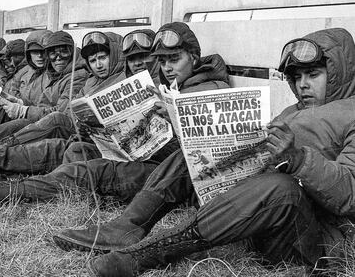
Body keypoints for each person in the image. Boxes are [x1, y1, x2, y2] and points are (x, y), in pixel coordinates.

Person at [51, 27, 355, 277]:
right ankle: (129, 226)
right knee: (194, 152)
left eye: (312, 75)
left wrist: (298, 158)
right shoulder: (291, 111)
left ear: (338, 72)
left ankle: (147, 254)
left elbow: (349, 193)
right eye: (296, 77)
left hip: (310, 239)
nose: (302, 85)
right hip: (257, 219)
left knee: (281, 188)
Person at [0, 22, 230, 206]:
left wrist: (173, 117)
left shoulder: (209, 88)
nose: (167, 67)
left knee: (85, 171)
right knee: (69, 148)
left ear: (193, 56)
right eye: (162, 61)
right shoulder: (171, 86)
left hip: (168, 174)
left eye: (174, 59)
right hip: (138, 155)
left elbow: (208, 155)